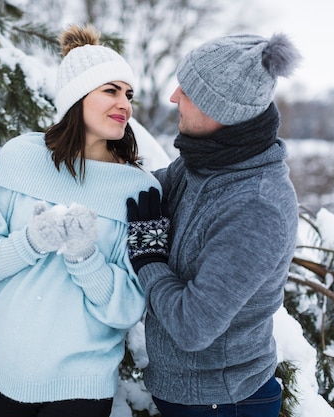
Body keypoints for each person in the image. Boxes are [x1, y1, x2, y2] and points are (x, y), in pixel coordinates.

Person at [0, 24, 161, 417]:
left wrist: (86, 258)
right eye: (111, 90)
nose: (125, 104)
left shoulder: (136, 189)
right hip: (5, 369)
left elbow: (127, 308)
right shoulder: (18, 158)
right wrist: (29, 242)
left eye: (129, 94)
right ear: (76, 97)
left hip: (81, 382)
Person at [126, 33, 302, 417]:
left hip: (223, 404)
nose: (173, 96)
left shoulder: (257, 207)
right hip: (191, 397)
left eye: (186, 90)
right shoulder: (209, 163)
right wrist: (35, 165)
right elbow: (139, 190)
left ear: (219, 109)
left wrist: (148, 256)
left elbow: (193, 327)